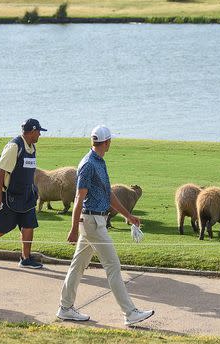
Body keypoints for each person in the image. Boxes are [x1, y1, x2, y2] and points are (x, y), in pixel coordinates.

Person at [56, 125, 155, 326]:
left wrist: (128, 216)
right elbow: (78, 197)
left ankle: (65, 308)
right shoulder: (88, 164)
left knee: (78, 265)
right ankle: (130, 313)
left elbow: (108, 194)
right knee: (113, 266)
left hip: (95, 221)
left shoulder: (99, 162)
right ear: (107, 142)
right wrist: (73, 227)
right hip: (92, 222)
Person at [0, 118, 46, 268]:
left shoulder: (31, 147)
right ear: (32, 131)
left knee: (29, 225)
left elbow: (27, 172)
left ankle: (25, 259)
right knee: (4, 226)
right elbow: (1, 171)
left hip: (26, 194)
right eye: (38, 131)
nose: (40, 134)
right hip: (9, 196)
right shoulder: (14, 146)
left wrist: (33, 188)